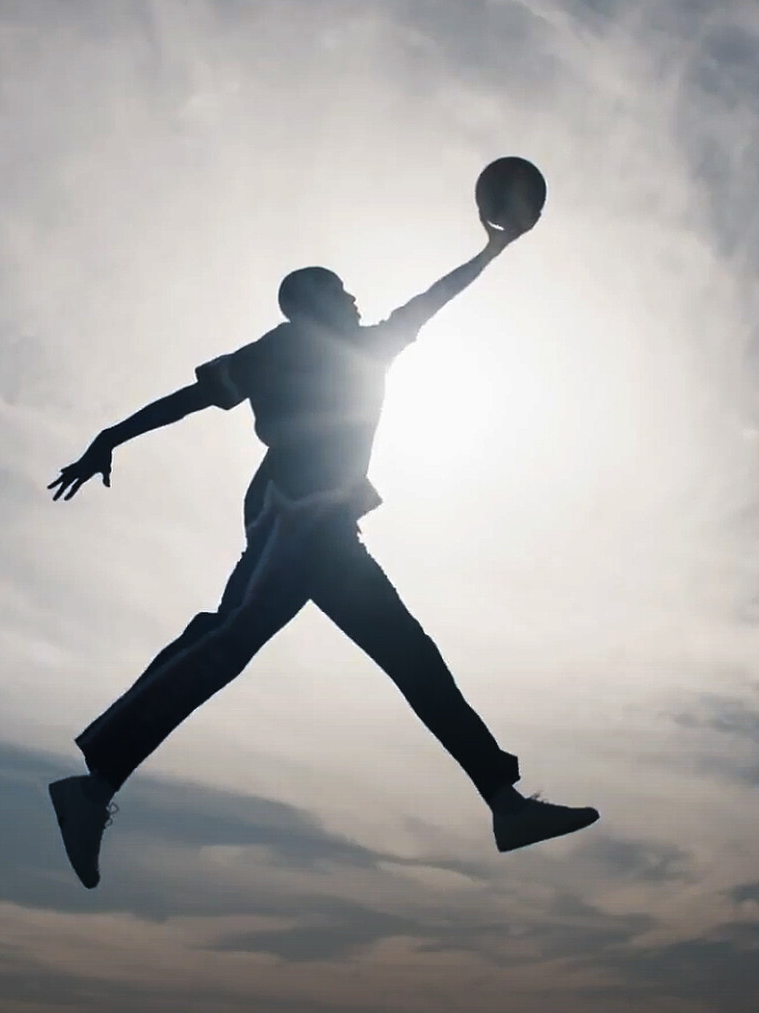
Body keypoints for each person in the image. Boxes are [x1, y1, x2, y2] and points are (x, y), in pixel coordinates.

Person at [45, 203, 598, 889]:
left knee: (409, 657)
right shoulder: (275, 350)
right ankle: (93, 782)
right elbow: (187, 400)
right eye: (337, 289)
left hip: (330, 531)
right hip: (293, 519)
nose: (352, 296)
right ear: (305, 305)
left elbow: (433, 299)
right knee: (226, 640)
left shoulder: (371, 346)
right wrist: (110, 436)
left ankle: (505, 804)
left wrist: (491, 252)